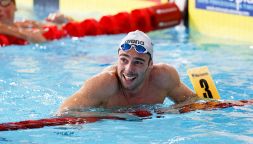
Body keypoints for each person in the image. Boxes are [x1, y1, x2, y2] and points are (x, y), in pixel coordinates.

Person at [57, 30, 198, 115]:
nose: (129, 69)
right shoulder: (104, 84)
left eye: (138, 62)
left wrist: (168, 111)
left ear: (150, 65)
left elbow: (192, 100)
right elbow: (64, 112)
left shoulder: (163, 77)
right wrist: (114, 116)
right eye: (124, 60)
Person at [0, 0, 73, 44]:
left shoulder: (26, 24)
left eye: (4, 1)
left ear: (15, 7)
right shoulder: (23, 32)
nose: (0, 8)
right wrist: (24, 34)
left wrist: (67, 21)